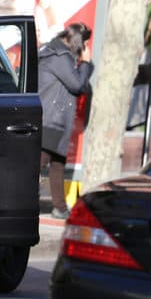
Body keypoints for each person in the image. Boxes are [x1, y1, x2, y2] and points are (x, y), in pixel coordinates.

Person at [38, 23, 94, 219]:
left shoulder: (53, 52)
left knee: (57, 164)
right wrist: (86, 63)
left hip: (52, 117)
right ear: (79, 42)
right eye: (85, 44)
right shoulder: (60, 58)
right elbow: (78, 84)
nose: (86, 48)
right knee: (39, 163)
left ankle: (60, 207)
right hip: (51, 120)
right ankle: (15, 201)